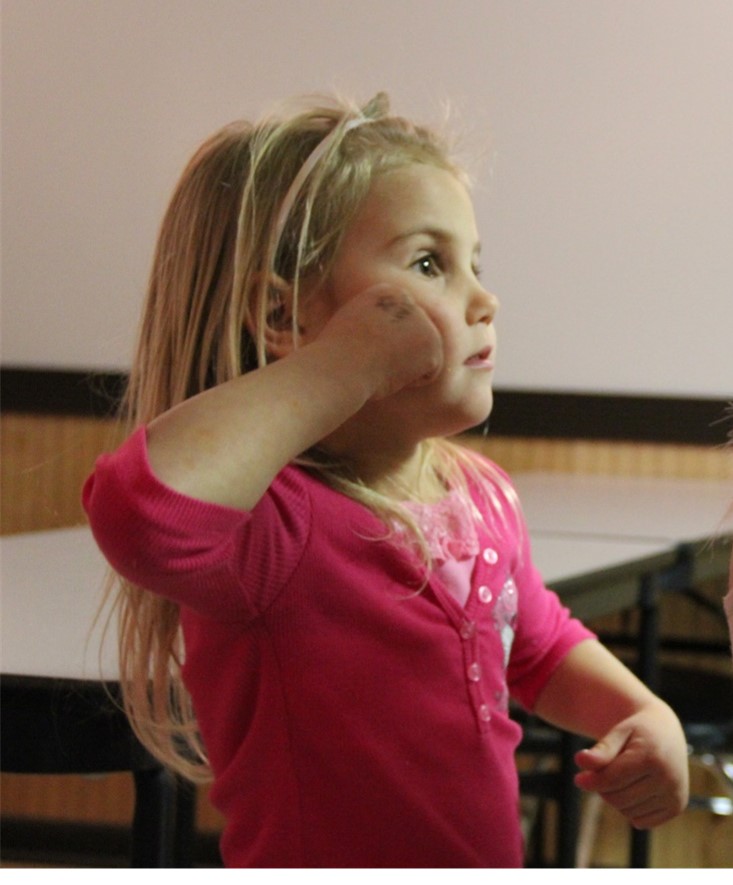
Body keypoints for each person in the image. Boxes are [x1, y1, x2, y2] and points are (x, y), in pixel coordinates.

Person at [83, 92, 688, 868]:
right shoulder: (275, 531)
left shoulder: (480, 494)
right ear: (283, 313)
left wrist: (641, 709)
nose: (482, 297)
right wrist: (338, 364)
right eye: (429, 263)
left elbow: (534, 645)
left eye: (475, 262)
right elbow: (140, 515)